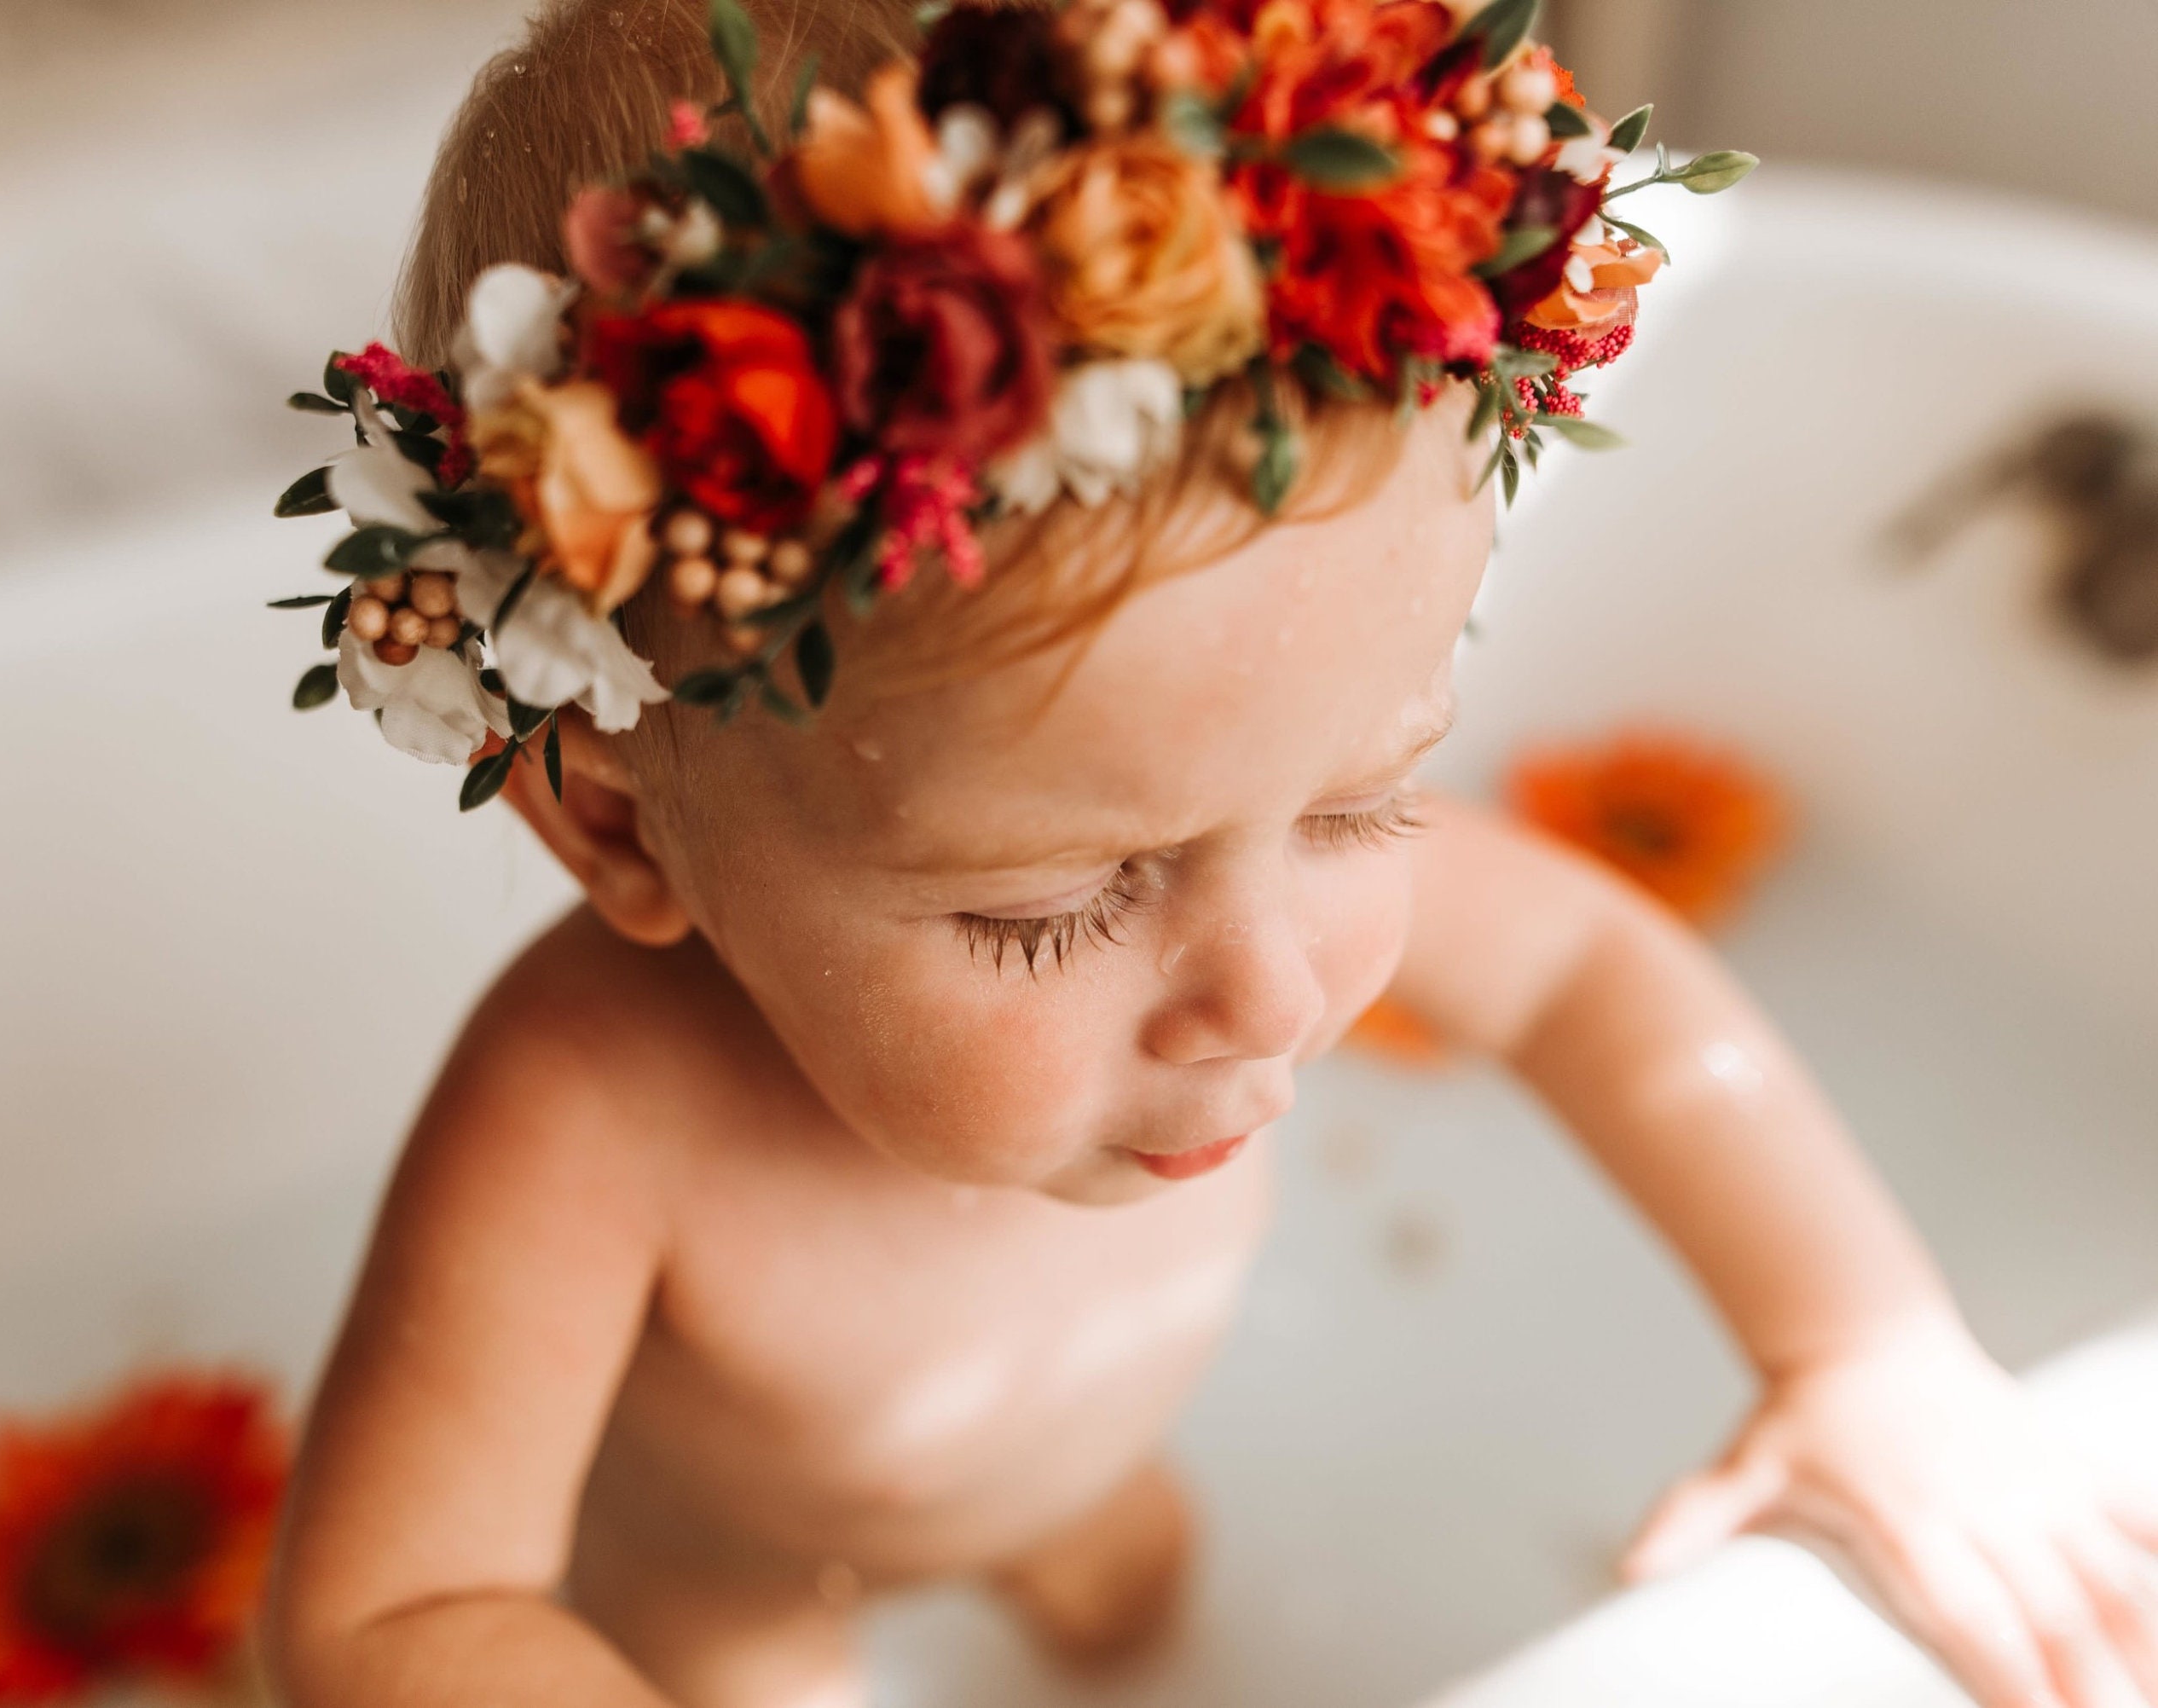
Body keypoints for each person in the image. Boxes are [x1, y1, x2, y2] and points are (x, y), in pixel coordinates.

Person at [259, 1, 2158, 1704]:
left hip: (1088, 1465)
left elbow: (1602, 979)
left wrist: (1863, 1352)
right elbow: (396, 1611)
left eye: (1360, 805)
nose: (1280, 991)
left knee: (1145, 1610)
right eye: (1052, 906)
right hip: (738, 1577)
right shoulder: (591, 1107)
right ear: (611, 814)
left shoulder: (1226, 865)